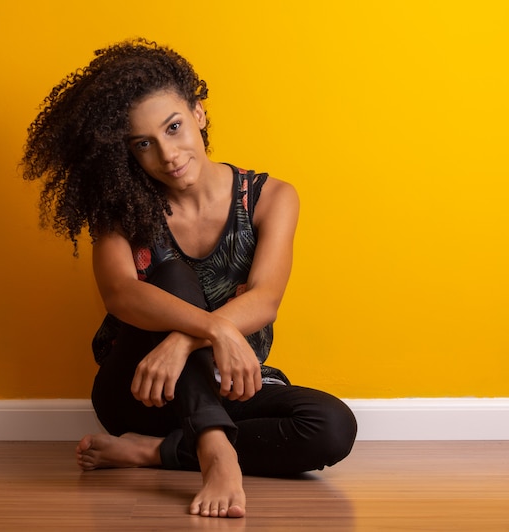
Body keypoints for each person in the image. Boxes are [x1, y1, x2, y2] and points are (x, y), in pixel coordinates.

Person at [21, 38, 357, 519]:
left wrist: (180, 342)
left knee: (331, 426)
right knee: (170, 274)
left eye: (174, 127)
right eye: (144, 143)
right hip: (141, 391)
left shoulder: (270, 197)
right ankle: (217, 454)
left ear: (198, 113)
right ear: (128, 152)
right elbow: (121, 294)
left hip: (223, 385)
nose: (168, 154)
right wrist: (218, 327)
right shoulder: (123, 208)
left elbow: (264, 301)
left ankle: (152, 452)